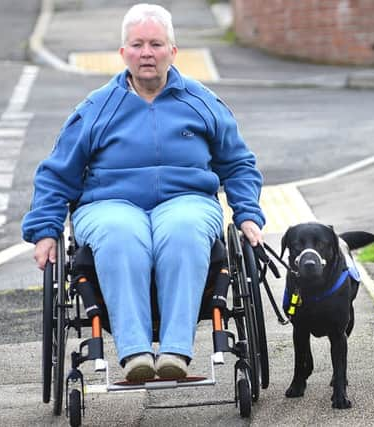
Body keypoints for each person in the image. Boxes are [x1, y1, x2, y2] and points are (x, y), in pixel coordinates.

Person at [21, 3, 265, 382]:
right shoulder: (96, 108)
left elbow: (238, 163)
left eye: (155, 43)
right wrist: (44, 230)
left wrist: (247, 213)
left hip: (187, 201)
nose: (146, 53)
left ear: (173, 50)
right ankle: (134, 354)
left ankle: (174, 353)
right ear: (123, 53)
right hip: (108, 204)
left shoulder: (202, 103)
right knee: (121, 234)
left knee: (183, 230)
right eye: (137, 45)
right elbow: (56, 172)